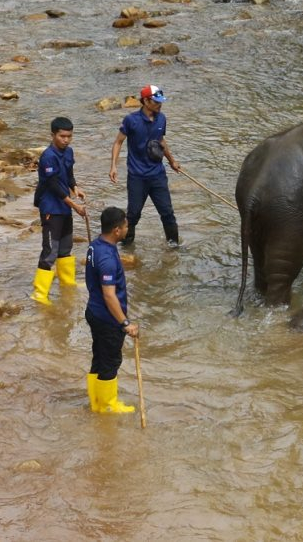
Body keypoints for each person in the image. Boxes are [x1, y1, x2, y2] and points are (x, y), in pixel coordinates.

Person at [109, 84, 182, 247]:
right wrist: (113, 166)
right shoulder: (131, 120)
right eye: (156, 101)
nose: (160, 104)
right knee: (133, 215)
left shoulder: (161, 118)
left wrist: (172, 161)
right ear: (146, 101)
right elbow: (118, 142)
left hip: (157, 175)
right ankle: (127, 247)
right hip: (137, 177)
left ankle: (174, 246)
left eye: (161, 101)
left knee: (167, 213)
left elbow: (161, 141)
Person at [85, 206, 140, 414]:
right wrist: (125, 323)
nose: (128, 229)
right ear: (116, 230)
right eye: (126, 226)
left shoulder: (95, 245)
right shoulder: (107, 258)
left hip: (94, 311)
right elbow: (109, 295)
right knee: (110, 361)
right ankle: (108, 406)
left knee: (99, 357)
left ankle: (96, 402)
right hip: (107, 317)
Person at [31, 117, 87, 305]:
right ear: (53, 135)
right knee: (50, 250)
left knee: (65, 246)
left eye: (69, 136)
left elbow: (68, 175)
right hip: (51, 208)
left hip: (65, 207)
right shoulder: (48, 156)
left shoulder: (68, 152)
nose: (66, 140)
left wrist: (76, 187)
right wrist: (74, 205)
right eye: (62, 136)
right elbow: (54, 185)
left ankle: (67, 282)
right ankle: (39, 293)